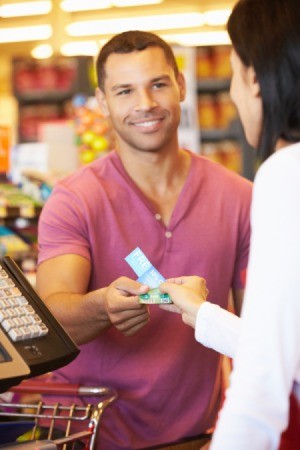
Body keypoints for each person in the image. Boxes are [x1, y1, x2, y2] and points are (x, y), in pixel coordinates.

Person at [35, 30, 252, 450]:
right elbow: (51, 318)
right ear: (102, 102)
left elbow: (257, 333)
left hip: (198, 436)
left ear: (181, 85)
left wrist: (237, 429)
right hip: (88, 434)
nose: (145, 104)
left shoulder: (239, 197)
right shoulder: (75, 199)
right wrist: (101, 307)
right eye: (124, 90)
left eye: (158, 84)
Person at [159, 0, 300, 448]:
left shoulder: (286, 173)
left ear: (257, 77)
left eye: (237, 73)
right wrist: (201, 312)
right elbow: (281, 347)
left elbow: (261, 386)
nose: (236, 96)